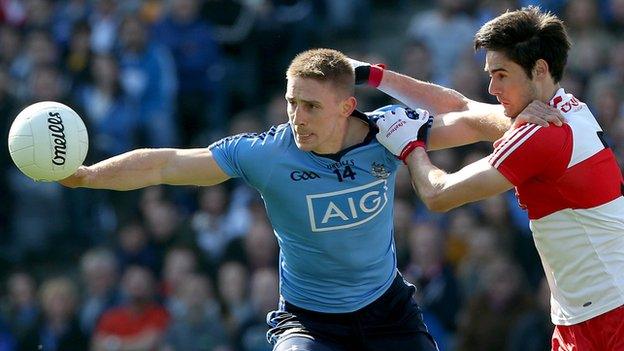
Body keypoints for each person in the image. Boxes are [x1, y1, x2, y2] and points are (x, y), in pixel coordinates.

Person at [60, 48, 558, 351]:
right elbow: (165, 164)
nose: (297, 116)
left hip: (387, 310)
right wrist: (86, 176)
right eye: (292, 102)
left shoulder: (387, 132)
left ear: (347, 107)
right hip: (309, 320)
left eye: (312, 106)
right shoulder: (263, 153)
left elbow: (469, 120)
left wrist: (523, 118)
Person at [356, 6, 624, 351]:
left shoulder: (542, 133)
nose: (492, 87)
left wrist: (409, 147)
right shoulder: (566, 107)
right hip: (587, 311)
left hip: (607, 315)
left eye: (501, 74)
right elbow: (463, 109)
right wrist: (373, 76)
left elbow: (439, 195)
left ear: (539, 69)